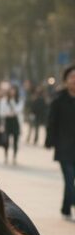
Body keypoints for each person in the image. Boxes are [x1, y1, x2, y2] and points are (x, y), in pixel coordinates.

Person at [46, 63, 75, 222]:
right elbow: (52, 121)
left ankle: (65, 207)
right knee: (69, 180)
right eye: (71, 77)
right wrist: (49, 140)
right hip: (64, 148)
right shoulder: (58, 100)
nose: (74, 80)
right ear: (66, 80)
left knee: (70, 182)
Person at [0, 85, 23, 165]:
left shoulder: (19, 100)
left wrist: (12, 104)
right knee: (6, 140)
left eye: (14, 90)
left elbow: (18, 110)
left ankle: (14, 157)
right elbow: (1, 112)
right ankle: (6, 156)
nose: (12, 92)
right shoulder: (4, 100)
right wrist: (9, 113)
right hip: (7, 122)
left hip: (15, 122)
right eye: (11, 90)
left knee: (15, 140)